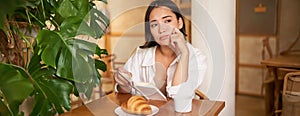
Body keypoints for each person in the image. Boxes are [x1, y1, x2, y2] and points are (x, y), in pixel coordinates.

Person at [114, 0, 207, 111]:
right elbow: (124, 90)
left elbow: (179, 100)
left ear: (180, 23)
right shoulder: (140, 55)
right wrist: (124, 85)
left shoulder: (197, 58)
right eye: (154, 24)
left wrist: (184, 54)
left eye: (167, 21)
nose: (161, 29)